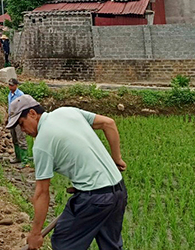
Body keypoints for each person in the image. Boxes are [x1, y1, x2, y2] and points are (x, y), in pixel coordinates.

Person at [8, 95, 127, 250]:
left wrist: (35, 233)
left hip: (94, 198)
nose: (23, 130)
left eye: (21, 124)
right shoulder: (67, 112)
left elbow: (42, 193)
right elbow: (108, 123)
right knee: (111, 245)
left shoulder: (42, 144)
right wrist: (116, 159)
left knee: (64, 242)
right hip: (118, 191)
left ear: (32, 113)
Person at [6, 78, 28, 164]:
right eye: (9, 85)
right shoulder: (10, 94)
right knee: (14, 139)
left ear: (16, 85)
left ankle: (24, 160)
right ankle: (18, 157)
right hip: (12, 119)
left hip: (18, 120)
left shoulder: (20, 95)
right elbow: (9, 107)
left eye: (12, 85)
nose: (10, 87)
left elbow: (23, 109)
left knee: (21, 139)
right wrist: (7, 118)